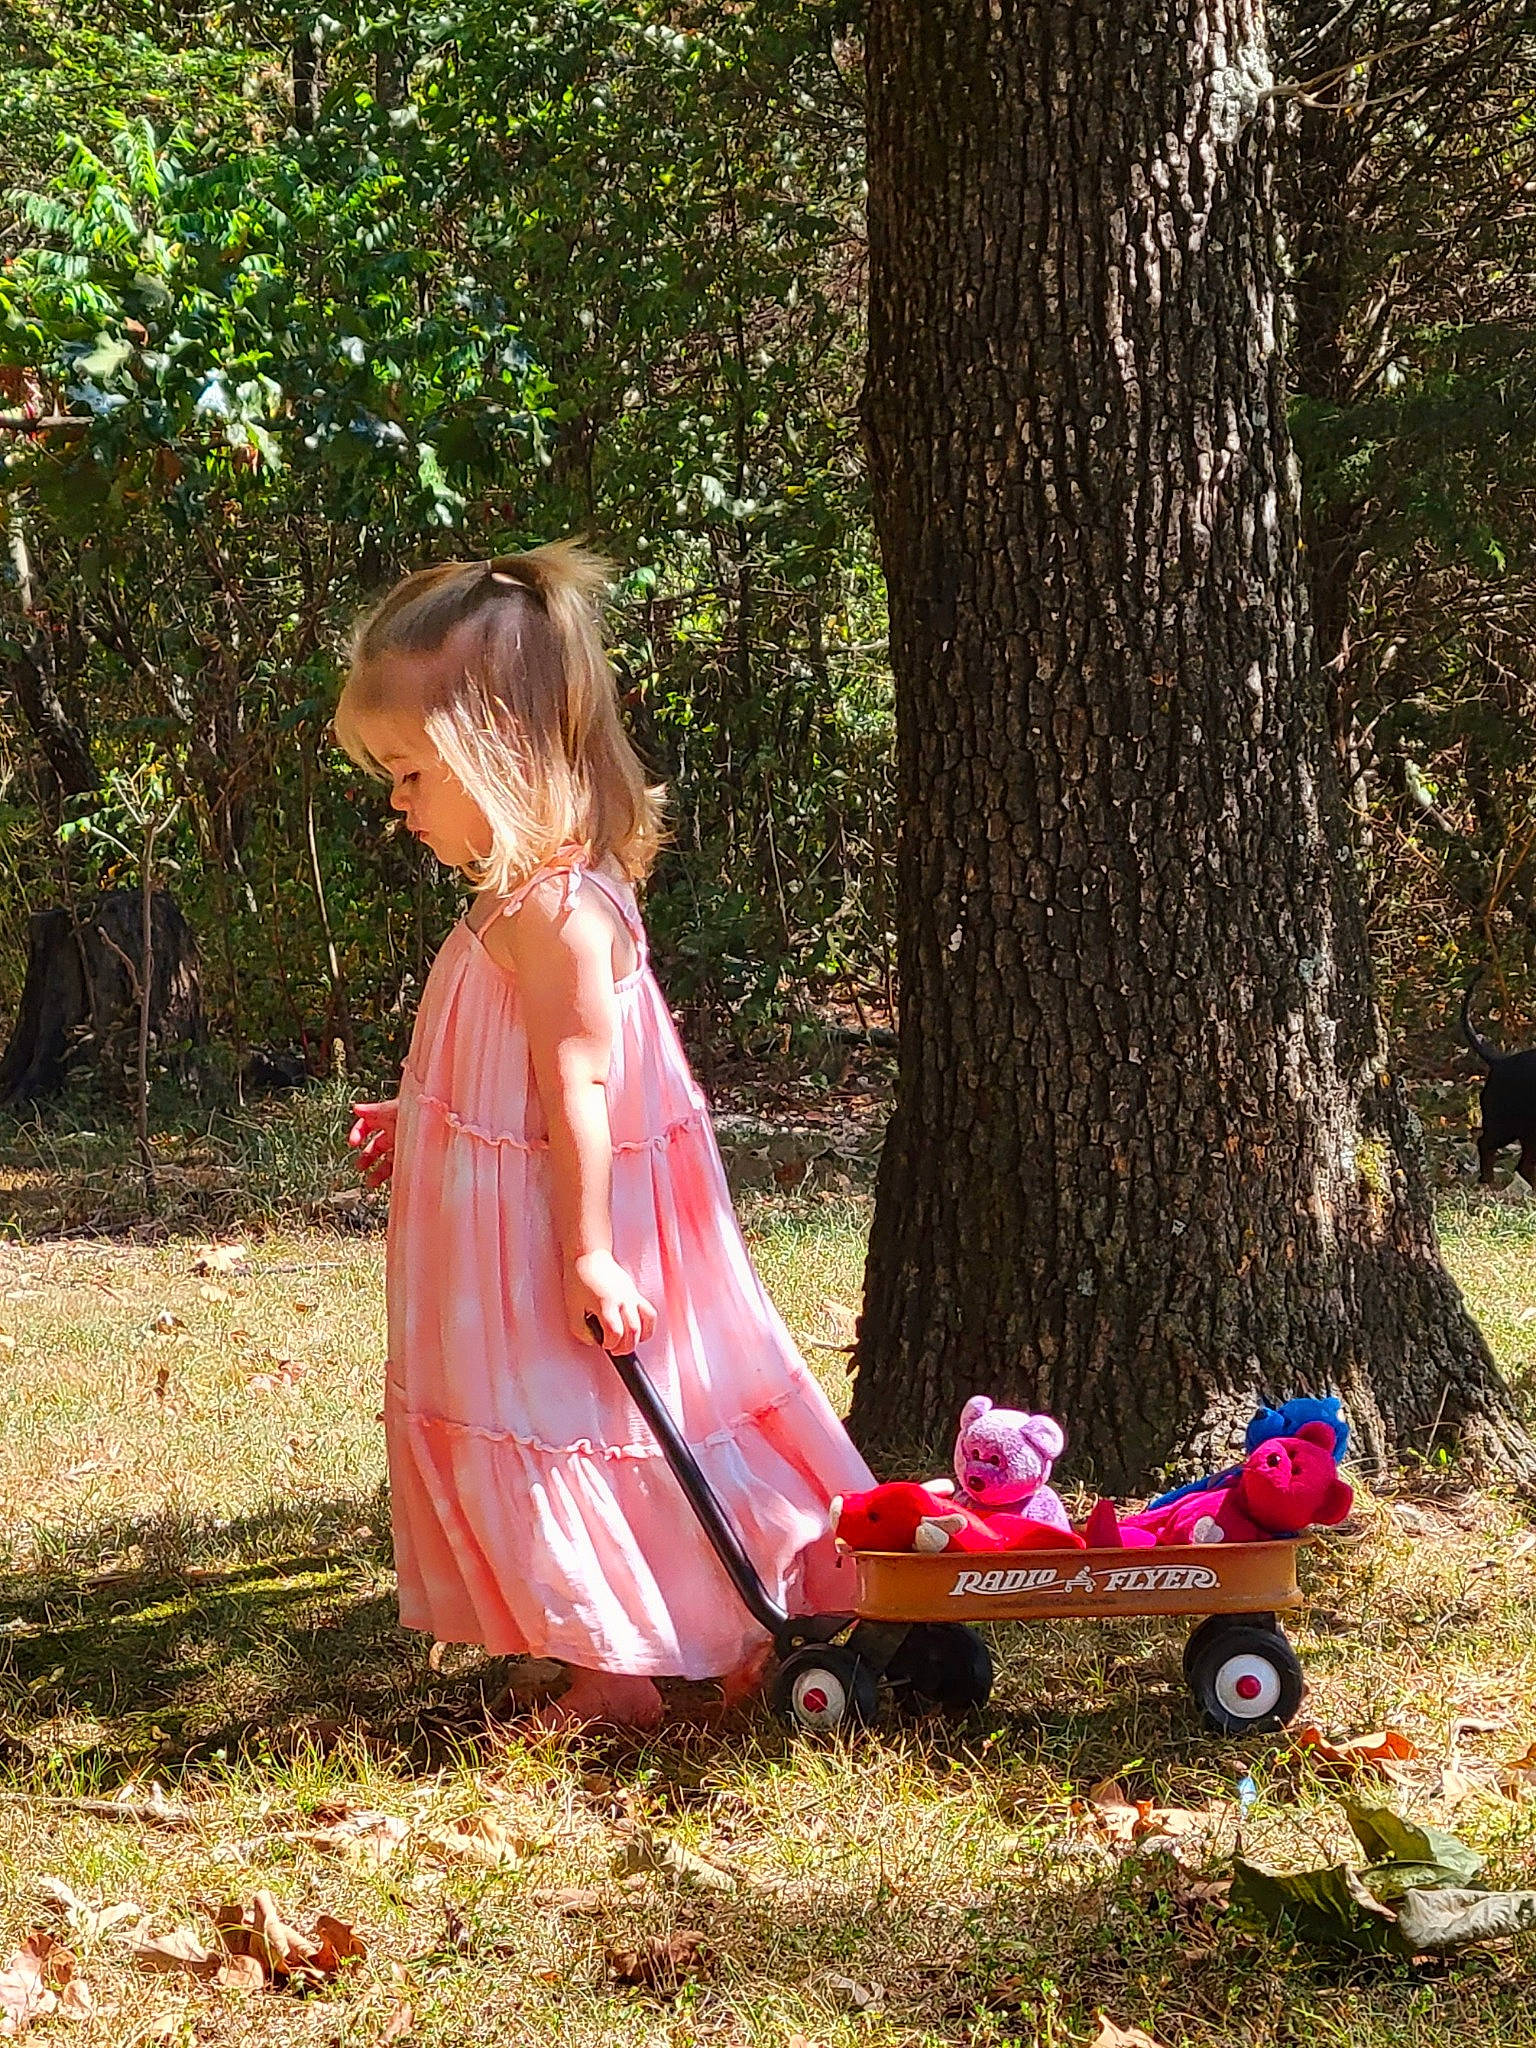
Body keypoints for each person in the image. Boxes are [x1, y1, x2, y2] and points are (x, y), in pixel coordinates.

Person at [336, 542, 873, 1728]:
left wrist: (587, 1252)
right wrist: (417, 1108)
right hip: (502, 1214)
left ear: (495, 751)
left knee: (581, 1420)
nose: (397, 801)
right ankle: (599, 1642)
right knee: (546, 1420)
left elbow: (583, 1087)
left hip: (547, 1233)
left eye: (411, 772)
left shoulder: (563, 914)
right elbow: (515, 1066)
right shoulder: (524, 901)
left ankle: (623, 1667)